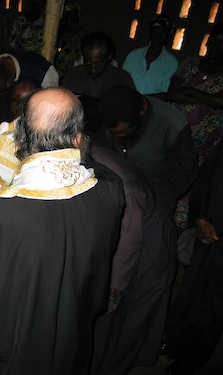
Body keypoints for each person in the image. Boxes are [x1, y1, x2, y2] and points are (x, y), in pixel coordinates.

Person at [0, 87, 125, 374]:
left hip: (7, 354)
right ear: (78, 138)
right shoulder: (109, 189)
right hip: (69, 339)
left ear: (22, 140)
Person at [88, 143, 178, 375]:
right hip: (138, 228)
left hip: (151, 245)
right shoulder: (91, 151)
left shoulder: (123, 185)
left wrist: (114, 288)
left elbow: (129, 241)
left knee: (131, 317)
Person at [163, 141, 223, 375]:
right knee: (190, 290)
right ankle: (174, 339)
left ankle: (192, 358)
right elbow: (206, 175)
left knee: (213, 304)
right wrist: (199, 217)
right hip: (209, 228)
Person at [98, 85, 198, 215]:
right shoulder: (107, 111)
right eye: (114, 133)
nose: (119, 137)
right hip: (116, 196)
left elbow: (184, 172)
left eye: (124, 132)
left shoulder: (171, 125)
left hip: (155, 200)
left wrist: (150, 193)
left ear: (141, 113)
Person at [167, 22, 223, 230]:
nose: (217, 47)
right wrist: (208, 98)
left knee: (193, 187)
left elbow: (221, 102)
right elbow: (172, 93)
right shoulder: (189, 64)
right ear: (207, 42)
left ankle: (179, 230)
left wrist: (191, 93)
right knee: (170, 178)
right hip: (177, 138)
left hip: (205, 147)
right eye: (215, 41)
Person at [63, 31, 135, 98]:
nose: (93, 69)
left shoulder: (122, 78)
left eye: (99, 64)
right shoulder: (72, 76)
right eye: (88, 63)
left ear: (109, 57)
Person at [122, 14, 179, 99]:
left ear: (168, 37)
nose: (158, 36)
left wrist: (143, 101)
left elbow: (166, 94)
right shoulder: (133, 56)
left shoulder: (172, 63)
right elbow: (122, 82)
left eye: (162, 33)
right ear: (150, 33)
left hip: (154, 108)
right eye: (155, 31)